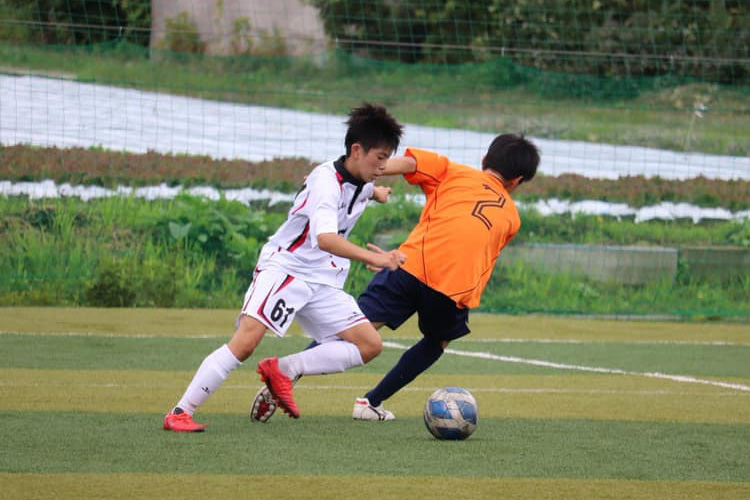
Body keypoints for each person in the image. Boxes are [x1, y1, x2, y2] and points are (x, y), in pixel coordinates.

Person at [250, 133, 540, 423]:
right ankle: (371, 402)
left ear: (484, 160)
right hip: (451, 288)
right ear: (516, 181)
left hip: (407, 267)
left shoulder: (452, 171)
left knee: (352, 328)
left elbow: (402, 164)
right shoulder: (512, 218)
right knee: (437, 341)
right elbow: (477, 255)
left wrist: (338, 176)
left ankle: (288, 375)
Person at [163, 103, 406, 432]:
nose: (383, 166)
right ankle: (181, 411)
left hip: (321, 280)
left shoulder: (360, 180)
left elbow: (360, 192)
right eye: (379, 159)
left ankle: (285, 369)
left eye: (387, 159)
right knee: (247, 341)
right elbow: (325, 239)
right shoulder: (325, 182)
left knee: (369, 345)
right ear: (356, 150)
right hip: (286, 269)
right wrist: (376, 258)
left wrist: (376, 193)